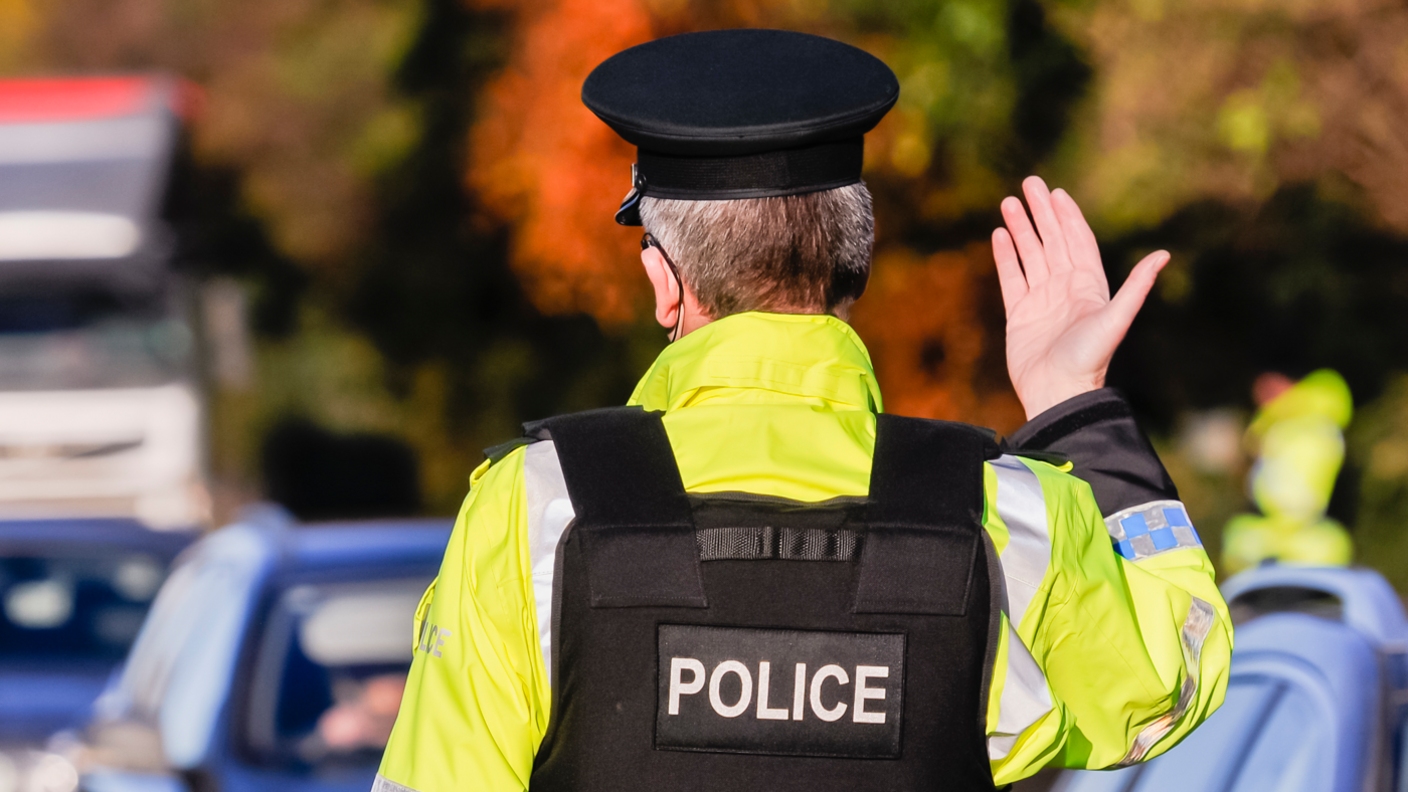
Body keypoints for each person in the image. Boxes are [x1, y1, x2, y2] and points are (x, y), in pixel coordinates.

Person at [374, 29, 1231, 792]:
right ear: (854, 263)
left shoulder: (535, 513)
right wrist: (1078, 411)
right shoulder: (1004, 514)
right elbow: (1170, 685)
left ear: (664, 281)